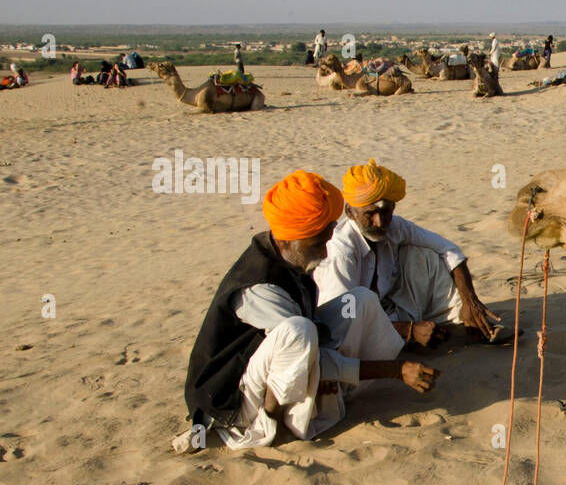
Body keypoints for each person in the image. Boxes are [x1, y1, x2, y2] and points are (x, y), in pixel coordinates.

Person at [178, 170, 436, 452]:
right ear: (288, 239)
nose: (325, 253)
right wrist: (395, 370)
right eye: (317, 244)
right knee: (298, 330)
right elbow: (302, 342)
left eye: (326, 241)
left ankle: (331, 391)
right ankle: (271, 425)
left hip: (275, 362)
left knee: (360, 301)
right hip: (232, 396)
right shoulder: (259, 288)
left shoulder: (290, 257)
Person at [314, 160, 505, 344]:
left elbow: (449, 250)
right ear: (350, 213)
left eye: (386, 212)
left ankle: (471, 323)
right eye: (370, 214)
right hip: (352, 328)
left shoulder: (395, 227)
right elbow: (342, 320)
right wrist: (409, 329)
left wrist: (470, 300)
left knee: (426, 256)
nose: (379, 223)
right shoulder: (341, 251)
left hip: (388, 310)